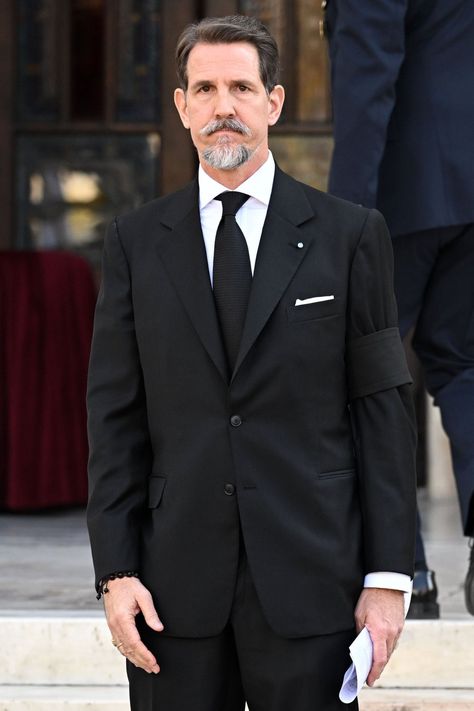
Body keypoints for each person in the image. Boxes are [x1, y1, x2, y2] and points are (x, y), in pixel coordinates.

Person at [87, 15, 417, 711]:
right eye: (203, 89)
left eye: (241, 86)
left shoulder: (351, 235)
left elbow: (382, 411)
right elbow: (114, 418)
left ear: (274, 101)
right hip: (170, 596)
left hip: (314, 583)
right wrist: (115, 570)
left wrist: (389, 574)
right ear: (180, 106)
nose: (223, 107)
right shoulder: (135, 242)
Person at [325, 0, 474, 619]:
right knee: (465, 364)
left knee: (366, 372)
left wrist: (345, 219)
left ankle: (403, 570)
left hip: (405, 189)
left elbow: (367, 78)